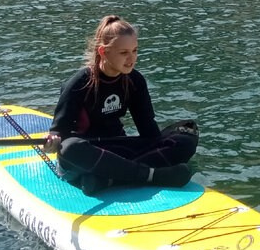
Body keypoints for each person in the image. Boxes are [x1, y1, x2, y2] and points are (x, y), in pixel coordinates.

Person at [44, 15, 199, 195]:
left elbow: (149, 131)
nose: (131, 58)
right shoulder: (78, 83)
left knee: (188, 131)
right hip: (89, 151)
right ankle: (150, 175)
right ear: (103, 52)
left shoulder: (135, 81)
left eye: (134, 51)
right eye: (124, 53)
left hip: (119, 148)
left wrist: (165, 145)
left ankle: (107, 178)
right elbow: (59, 132)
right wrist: (53, 141)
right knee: (70, 148)